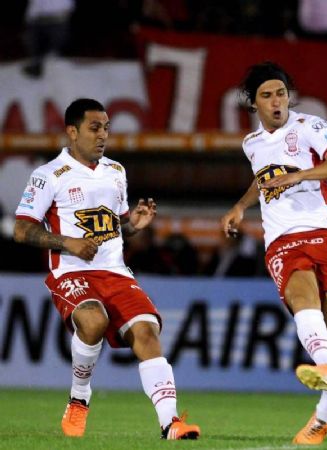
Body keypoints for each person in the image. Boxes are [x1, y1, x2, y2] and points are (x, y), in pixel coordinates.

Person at [12, 98, 200, 440]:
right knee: (94, 320)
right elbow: (22, 230)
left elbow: (115, 226)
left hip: (115, 271)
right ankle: (79, 398)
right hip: (70, 272)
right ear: (72, 131)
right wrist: (67, 243)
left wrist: (134, 225)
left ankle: (170, 423)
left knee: (147, 334)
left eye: (107, 128)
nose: (103, 136)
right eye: (94, 128)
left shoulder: (116, 172)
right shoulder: (48, 175)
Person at [220, 61, 327, 445]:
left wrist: (298, 175)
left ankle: (325, 413)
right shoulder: (252, 144)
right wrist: (241, 206)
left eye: (281, 93)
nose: (277, 101)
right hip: (282, 237)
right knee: (302, 297)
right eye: (267, 95)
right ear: (254, 104)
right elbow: (263, 179)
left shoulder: (310, 126)